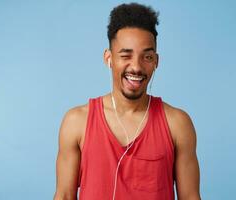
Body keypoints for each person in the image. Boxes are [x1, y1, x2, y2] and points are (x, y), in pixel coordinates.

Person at [53, 3, 201, 200]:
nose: (136, 67)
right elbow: (63, 195)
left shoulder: (178, 123)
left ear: (156, 61)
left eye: (146, 57)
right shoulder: (77, 122)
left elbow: (190, 197)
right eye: (126, 55)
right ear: (109, 58)